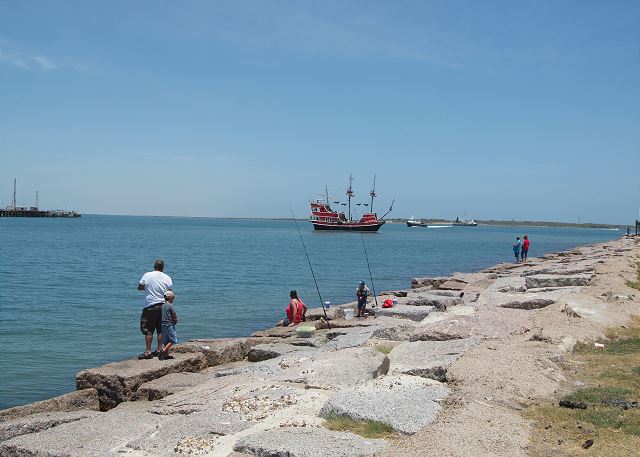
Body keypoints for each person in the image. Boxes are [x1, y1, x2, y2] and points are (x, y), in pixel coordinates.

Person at [137, 258, 173, 359]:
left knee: (148, 330)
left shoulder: (147, 275)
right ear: (163, 267)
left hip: (150, 306)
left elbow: (140, 287)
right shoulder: (167, 278)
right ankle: (159, 350)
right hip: (163, 305)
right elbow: (169, 291)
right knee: (160, 330)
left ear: (154, 267)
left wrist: (148, 287)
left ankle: (148, 352)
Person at [159, 290, 178, 360]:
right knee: (173, 339)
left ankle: (166, 355)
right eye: (173, 298)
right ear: (170, 298)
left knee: (166, 340)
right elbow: (174, 315)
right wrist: (175, 320)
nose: (173, 299)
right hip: (169, 324)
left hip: (163, 324)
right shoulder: (170, 306)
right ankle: (163, 351)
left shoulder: (162, 305)